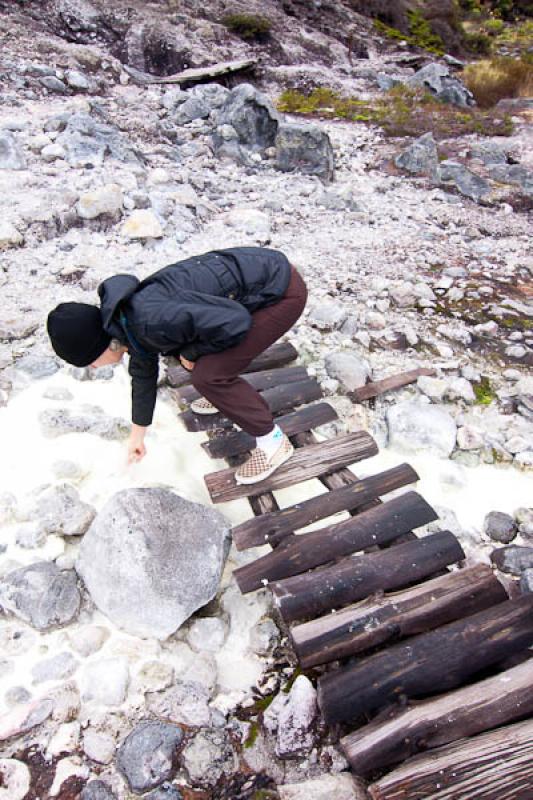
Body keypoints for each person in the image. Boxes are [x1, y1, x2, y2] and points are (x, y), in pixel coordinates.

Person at [47, 247, 308, 485]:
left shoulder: (152, 320)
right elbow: (143, 374)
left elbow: (235, 322)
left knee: (208, 376)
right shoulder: (126, 320)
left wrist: (193, 354)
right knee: (189, 353)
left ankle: (273, 442)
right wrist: (137, 436)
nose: (93, 368)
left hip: (282, 292)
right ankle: (225, 396)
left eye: (90, 362)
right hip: (255, 283)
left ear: (102, 345)